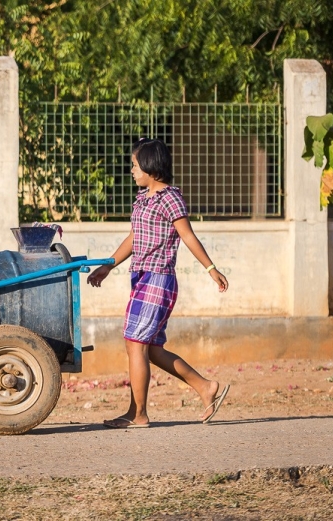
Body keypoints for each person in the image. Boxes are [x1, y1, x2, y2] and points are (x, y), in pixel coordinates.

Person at [87, 138, 230, 428]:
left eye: (135, 165)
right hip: (142, 278)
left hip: (158, 279)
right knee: (150, 350)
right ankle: (205, 387)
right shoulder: (143, 198)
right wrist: (108, 266)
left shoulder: (169, 197)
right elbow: (134, 238)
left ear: (151, 167)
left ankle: (137, 414)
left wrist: (211, 268)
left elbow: (187, 235)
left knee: (134, 343)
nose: (131, 170)